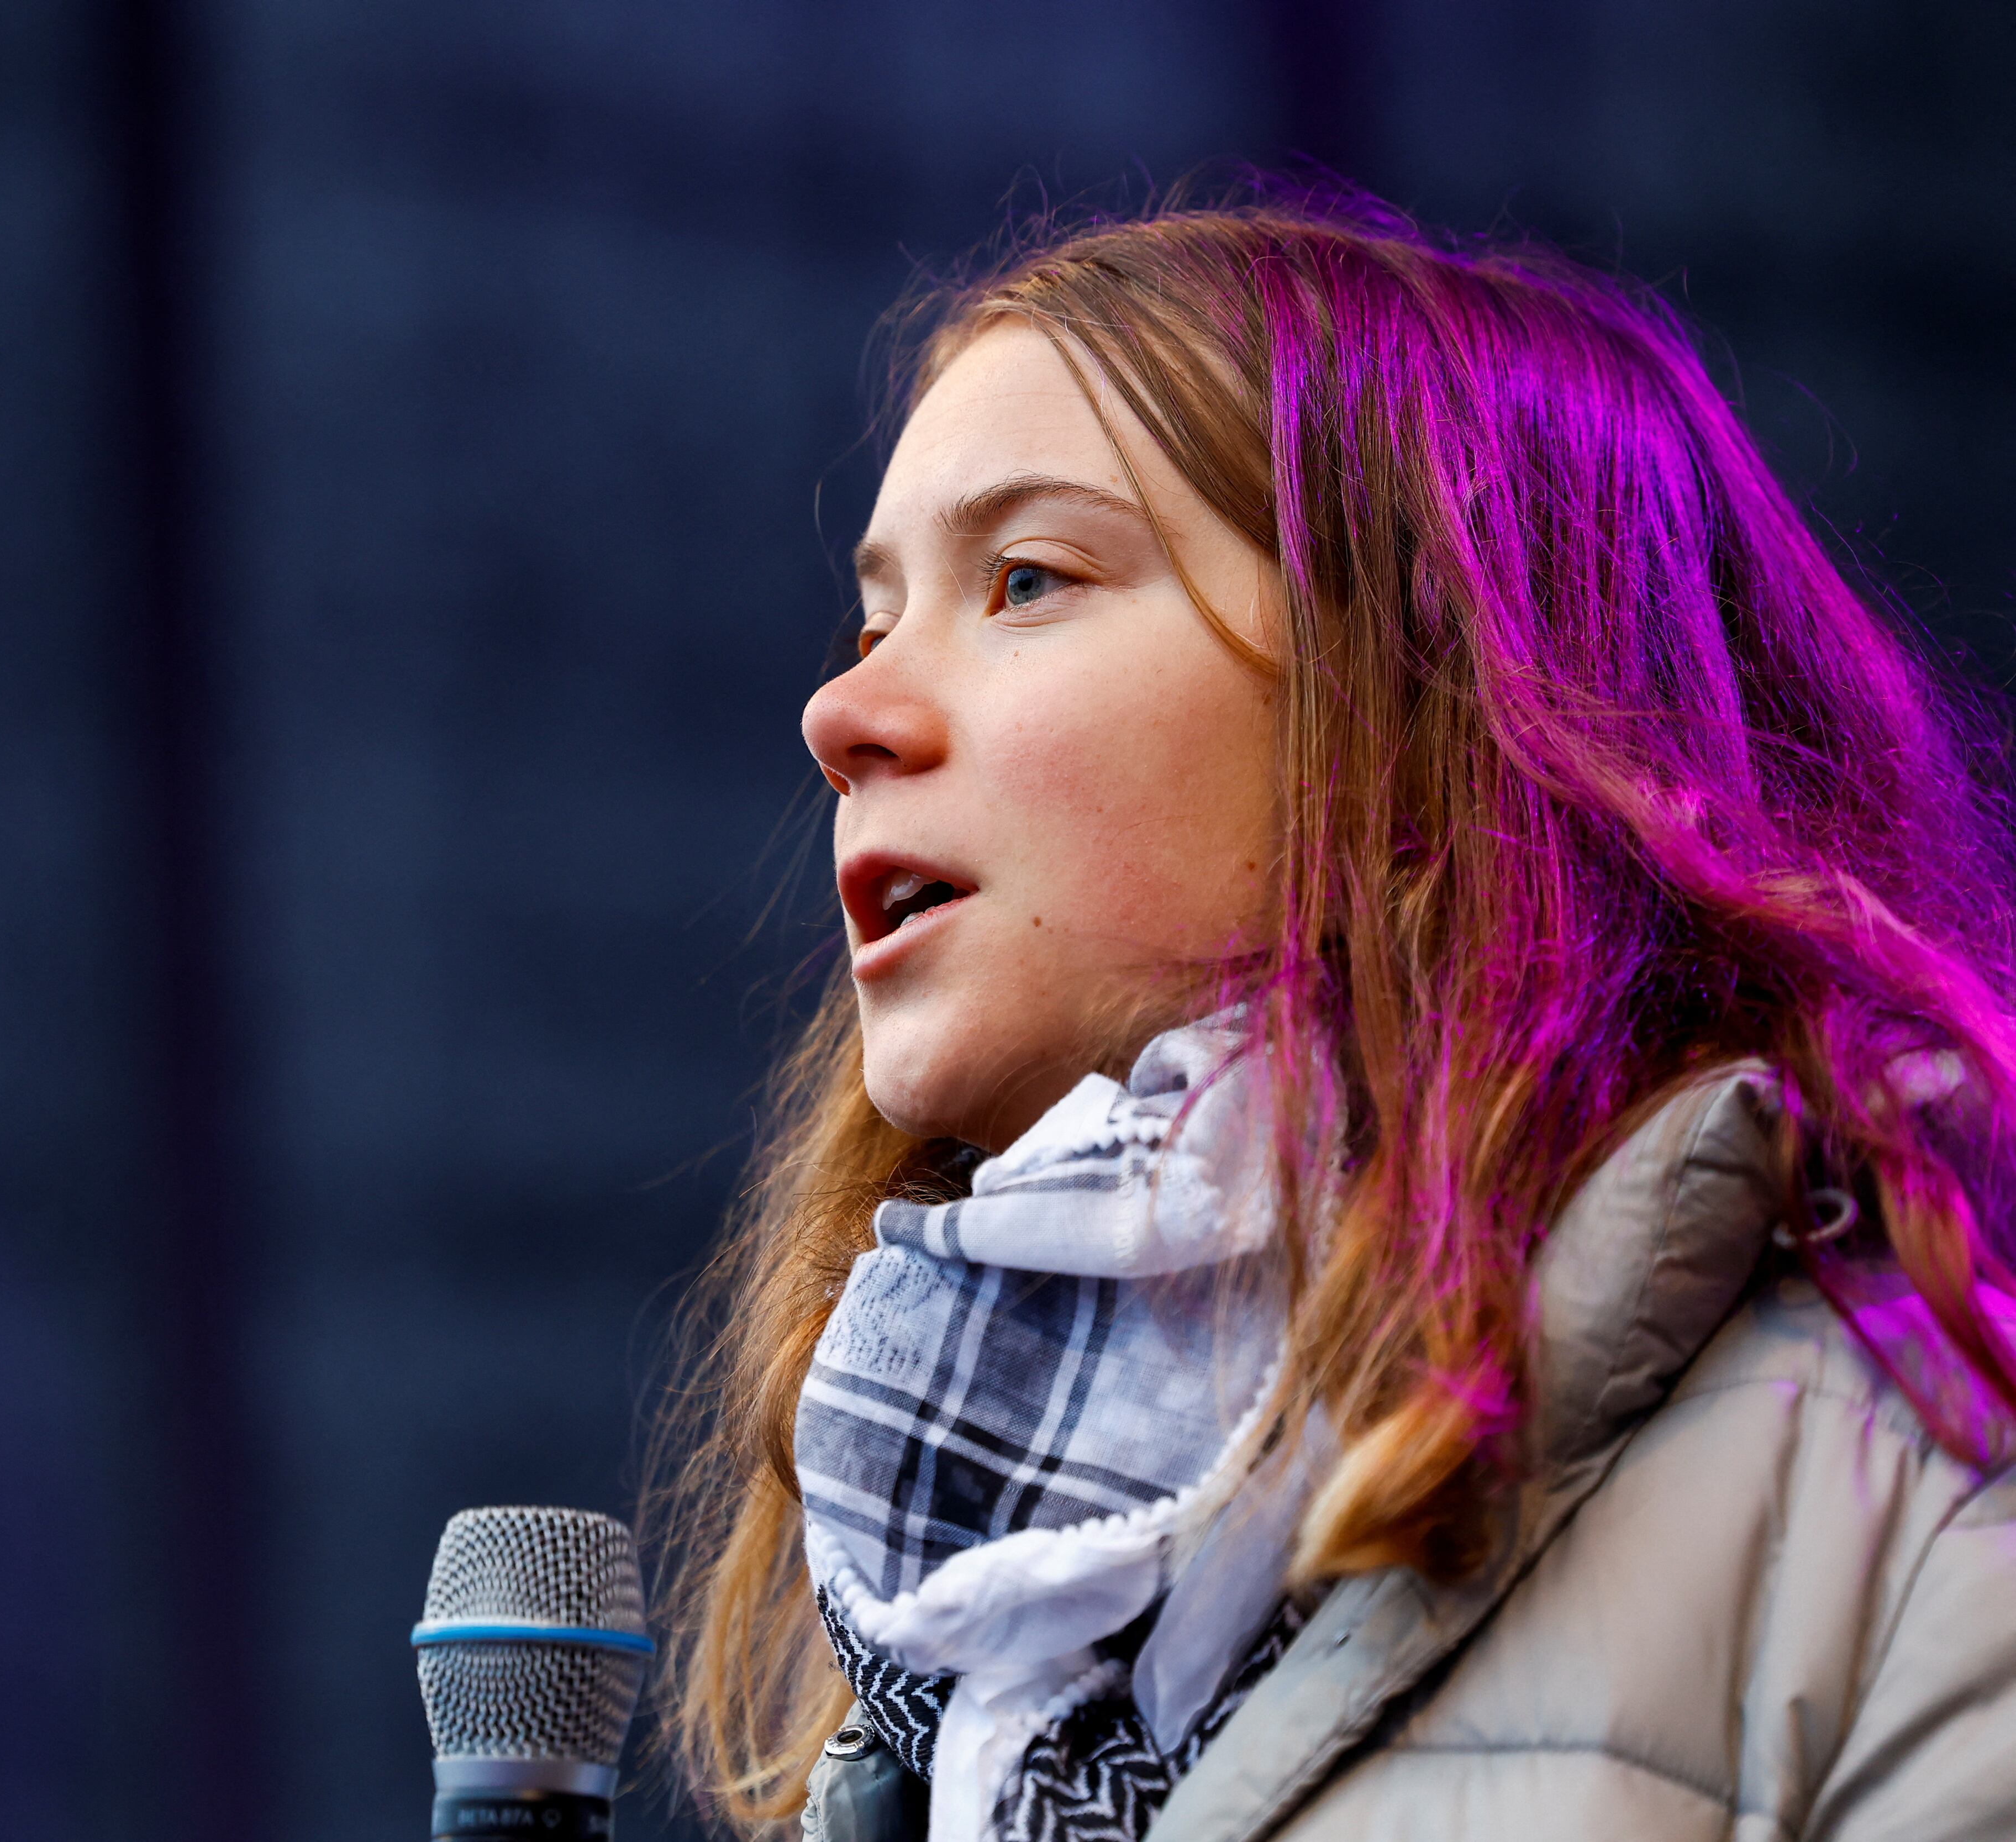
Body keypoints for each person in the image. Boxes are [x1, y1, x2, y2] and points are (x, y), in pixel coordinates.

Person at [654, 187, 2016, 1842]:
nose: (842, 711)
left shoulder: (1921, 1519)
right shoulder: (938, 1664)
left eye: (1025, 578)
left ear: (1441, 693)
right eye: (871, 624)